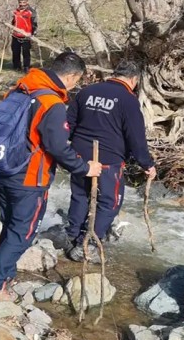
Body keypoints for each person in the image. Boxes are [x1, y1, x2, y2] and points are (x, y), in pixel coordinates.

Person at [0, 52, 102, 302]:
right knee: (23, 232)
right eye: (77, 80)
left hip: (5, 169)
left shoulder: (21, 89)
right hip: (30, 178)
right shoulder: (51, 103)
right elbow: (57, 147)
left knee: (10, 223)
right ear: (72, 76)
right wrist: (84, 168)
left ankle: (6, 274)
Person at [64, 59, 156, 263]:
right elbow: (136, 137)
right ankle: (86, 245)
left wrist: (64, 150)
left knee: (80, 196)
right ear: (134, 79)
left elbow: (68, 123)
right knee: (110, 202)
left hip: (79, 156)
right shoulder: (128, 99)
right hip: (107, 160)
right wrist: (146, 163)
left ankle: (71, 235)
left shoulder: (87, 91)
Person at [10, 0, 38, 72]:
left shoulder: (31, 12)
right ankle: (16, 66)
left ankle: (26, 67)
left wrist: (33, 34)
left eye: (24, 2)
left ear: (27, 2)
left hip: (26, 36)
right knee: (15, 51)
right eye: (20, 2)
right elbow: (13, 22)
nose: (22, 4)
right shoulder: (15, 11)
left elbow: (34, 24)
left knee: (26, 52)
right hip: (15, 35)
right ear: (18, 2)